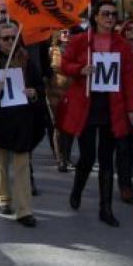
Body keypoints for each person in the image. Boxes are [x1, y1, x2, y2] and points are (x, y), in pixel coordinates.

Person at [58, 0, 133, 227]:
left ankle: (106, 208)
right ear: (96, 16)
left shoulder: (122, 45)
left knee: (106, 158)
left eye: (113, 14)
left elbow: (129, 80)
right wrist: (80, 69)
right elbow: (64, 64)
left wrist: (131, 109)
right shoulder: (81, 40)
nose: (110, 18)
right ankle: (77, 188)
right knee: (87, 155)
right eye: (105, 14)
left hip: (112, 106)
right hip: (86, 105)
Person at [0, 22, 44, 227]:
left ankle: (24, 210)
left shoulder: (26, 61)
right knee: (1, 161)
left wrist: (34, 93)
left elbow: (39, 86)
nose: (10, 42)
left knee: (22, 164)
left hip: (22, 119)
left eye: (12, 37)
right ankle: (3, 197)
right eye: (5, 38)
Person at [116, 19, 133, 204]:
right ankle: (125, 185)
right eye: (129, 29)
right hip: (123, 106)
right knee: (124, 147)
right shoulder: (117, 53)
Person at [47, 29, 73, 172]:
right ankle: (60, 159)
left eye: (68, 32)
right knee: (58, 126)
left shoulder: (77, 50)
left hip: (72, 92)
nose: (66, 34)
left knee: (70, 127)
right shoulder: (51, 51)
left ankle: (67, 156)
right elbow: (47, 71)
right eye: (63, 32)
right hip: (55, 92)